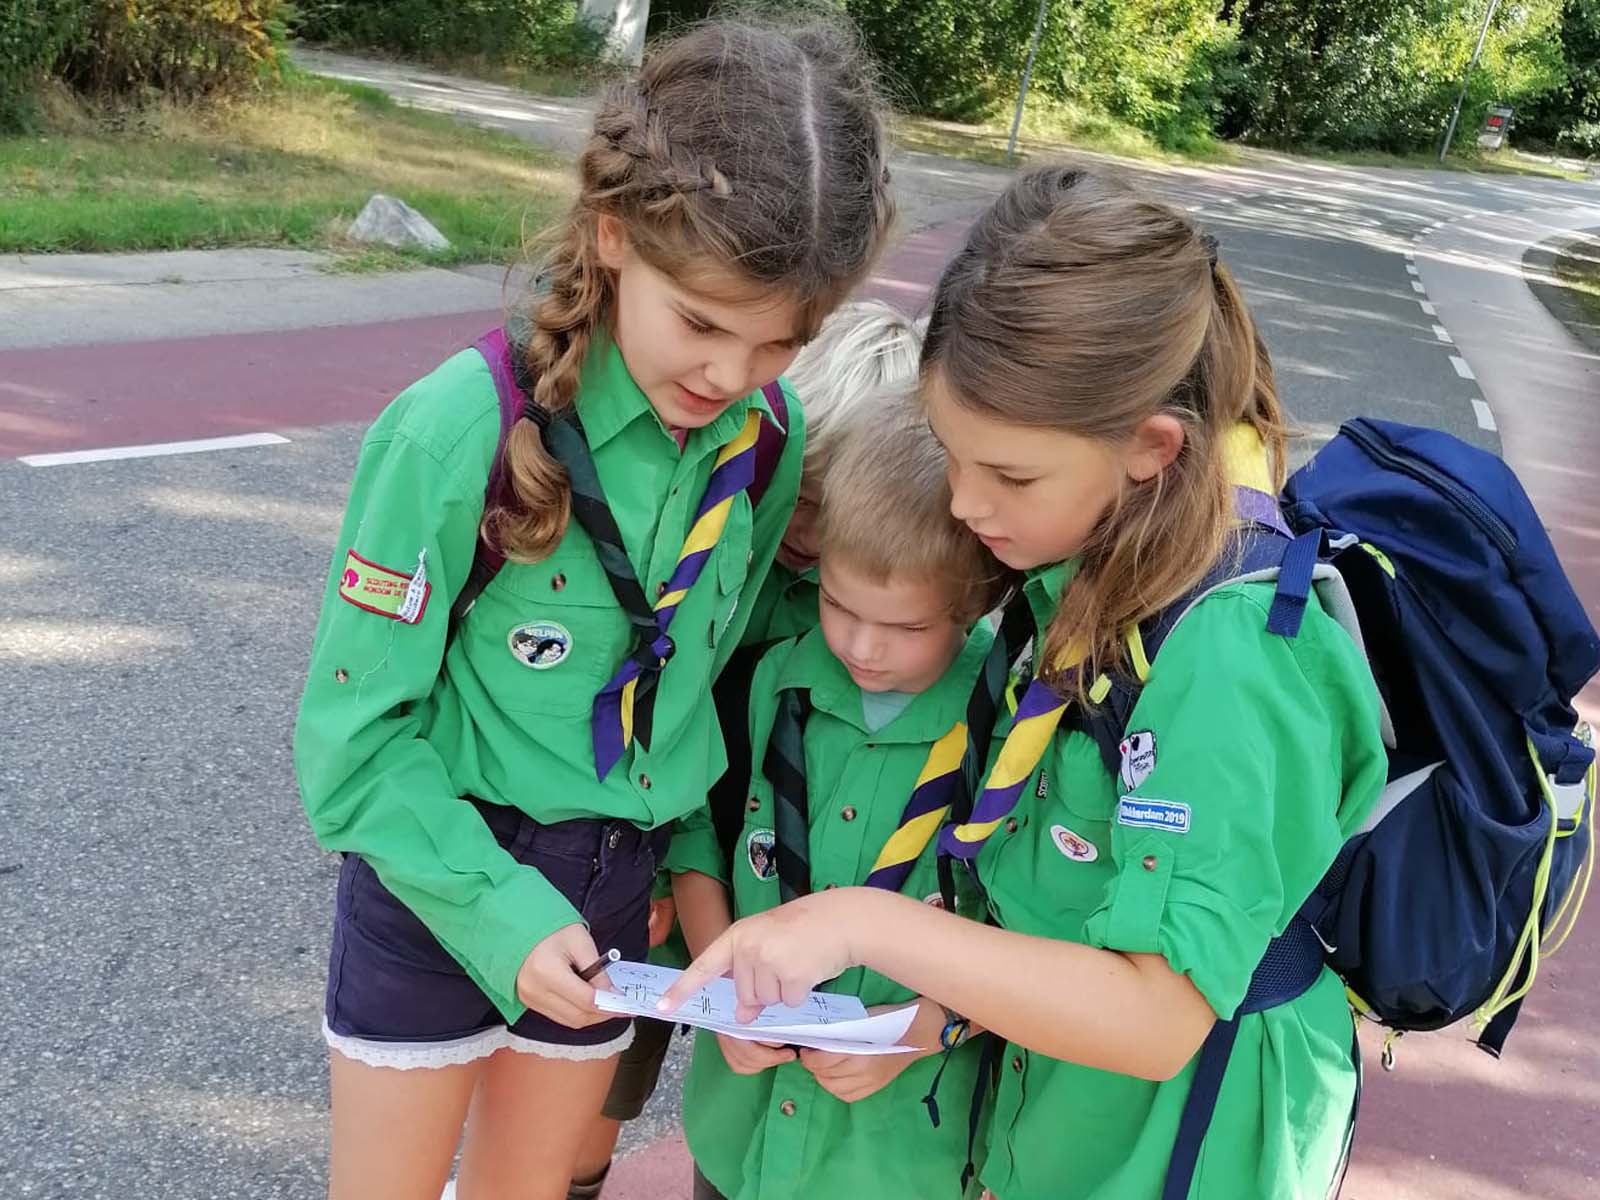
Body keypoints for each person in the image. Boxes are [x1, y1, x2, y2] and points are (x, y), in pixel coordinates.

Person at [661, 166, 1388, 1200]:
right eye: (955, 458)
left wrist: (859, 924)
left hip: (1180, 1142)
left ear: (1150, 449)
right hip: (1050, 1114)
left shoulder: (1231, 656)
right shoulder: (1084, 576)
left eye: (1008, 477)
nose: (962, 505)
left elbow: (1152, 1019)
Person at [293, 19, 893, 1200]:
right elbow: (350, 748)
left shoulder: (766, 443)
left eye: (782, 342)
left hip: (616, 886)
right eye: (704, 323)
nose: (731, 376)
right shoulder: (455, 430)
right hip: (440, 874)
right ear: (614, 234)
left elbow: (705, 675)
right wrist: (499, 908)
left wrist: (678, 862)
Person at [568, 298, 925, 1200]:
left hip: (770, 885)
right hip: (658, 862)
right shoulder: (719, 540)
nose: (805, 533)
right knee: (594, 1087)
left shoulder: (861, 617)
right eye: (798, 494)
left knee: (758, 1086)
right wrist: (647, 878)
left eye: (834, 513)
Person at [669, 388, 1010, 1200]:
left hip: (891, 1156)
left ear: (976, 600)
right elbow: (697, 842)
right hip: (739, 1124)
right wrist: (723, 995)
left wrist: (928, 1029)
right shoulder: (766, 685)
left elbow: (1032, 931)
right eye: (836, 604)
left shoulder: (1004, 732)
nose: (861, 645)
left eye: (906, 628)